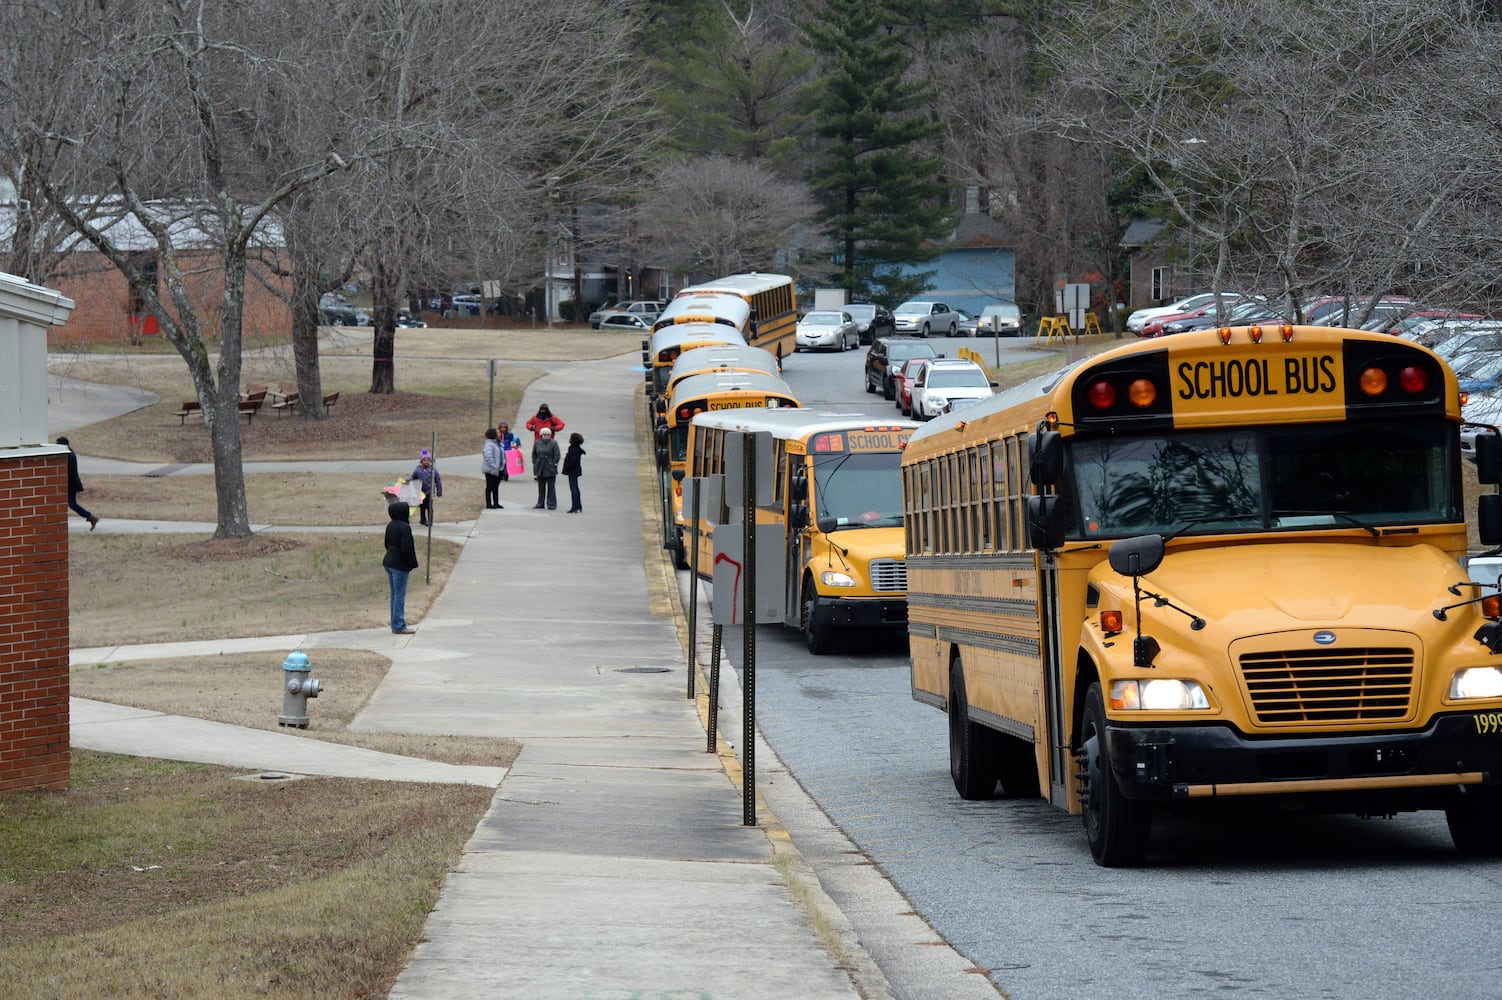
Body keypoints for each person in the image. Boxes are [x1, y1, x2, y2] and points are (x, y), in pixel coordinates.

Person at [383, 500, 419, 634]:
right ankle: (398, 624)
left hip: (389, 562)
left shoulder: (390, 525)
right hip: (399, 565)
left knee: (394, 594)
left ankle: (395, 622)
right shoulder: (405, 527)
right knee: (399, 595)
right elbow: (407, 549)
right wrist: (412, 563)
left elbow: (386, 543)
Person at [57, 436, 99, 531]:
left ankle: (91, 517)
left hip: (71, 485)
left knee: (72, 504)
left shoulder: (69, 456)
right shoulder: (68, 454)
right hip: (69, 484)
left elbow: (69, 472)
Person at [410, 448, 443, 526]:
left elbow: (437, 480)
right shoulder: (417, 470)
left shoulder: (433, 470)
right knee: (422, 506)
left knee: (429, 506)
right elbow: (412, 478)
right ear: (421, 461)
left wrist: (439, 490)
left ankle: (430, 520)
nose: (426, 462)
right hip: (421, 492)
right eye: (424, 460)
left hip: (430, 492)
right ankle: (423, 519)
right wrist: (407, 482)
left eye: (428, 460)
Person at [531, 426, 561, 510]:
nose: (546, 436)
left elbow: (557, 455)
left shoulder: (554, 443)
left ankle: (551, 504)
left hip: (550, 468)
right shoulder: (537, 443)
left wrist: (554, 464)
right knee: (541, 487)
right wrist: (535, 462)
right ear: (541, 435)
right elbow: (534, 454)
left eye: (548, 434)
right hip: (540, 467)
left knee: (551, 487)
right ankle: (540, 503)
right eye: (544, 435)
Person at [562, 431, 586, 513]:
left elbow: (572, 461)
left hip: (573, 471)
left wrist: (566, 466)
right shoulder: (577, 449)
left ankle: (575, 506)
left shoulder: (574, 449)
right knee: (575, 488)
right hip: (575, 471)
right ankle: (578, 505)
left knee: (574, 489)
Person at [481, 428, 503, 510]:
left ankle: (496, 503)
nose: (500, 433)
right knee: (490, 486)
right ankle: (489, 504)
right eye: (498, 432)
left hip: (499, 469)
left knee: (496, 486)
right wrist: (493, 466)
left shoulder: (499, 443)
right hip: (490, 469)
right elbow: (488, 456)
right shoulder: (489, 444)